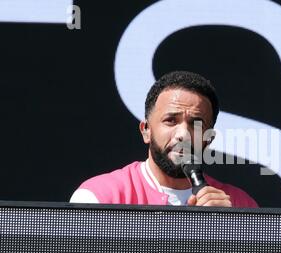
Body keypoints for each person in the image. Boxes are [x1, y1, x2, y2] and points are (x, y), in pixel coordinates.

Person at [70, 71, 258, 207]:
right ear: (146, 130)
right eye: (170, 121)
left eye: (196, 124)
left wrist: (229, 228)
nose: (183, 134)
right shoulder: (99, 197)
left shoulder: (241, 206)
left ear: (209, 139)